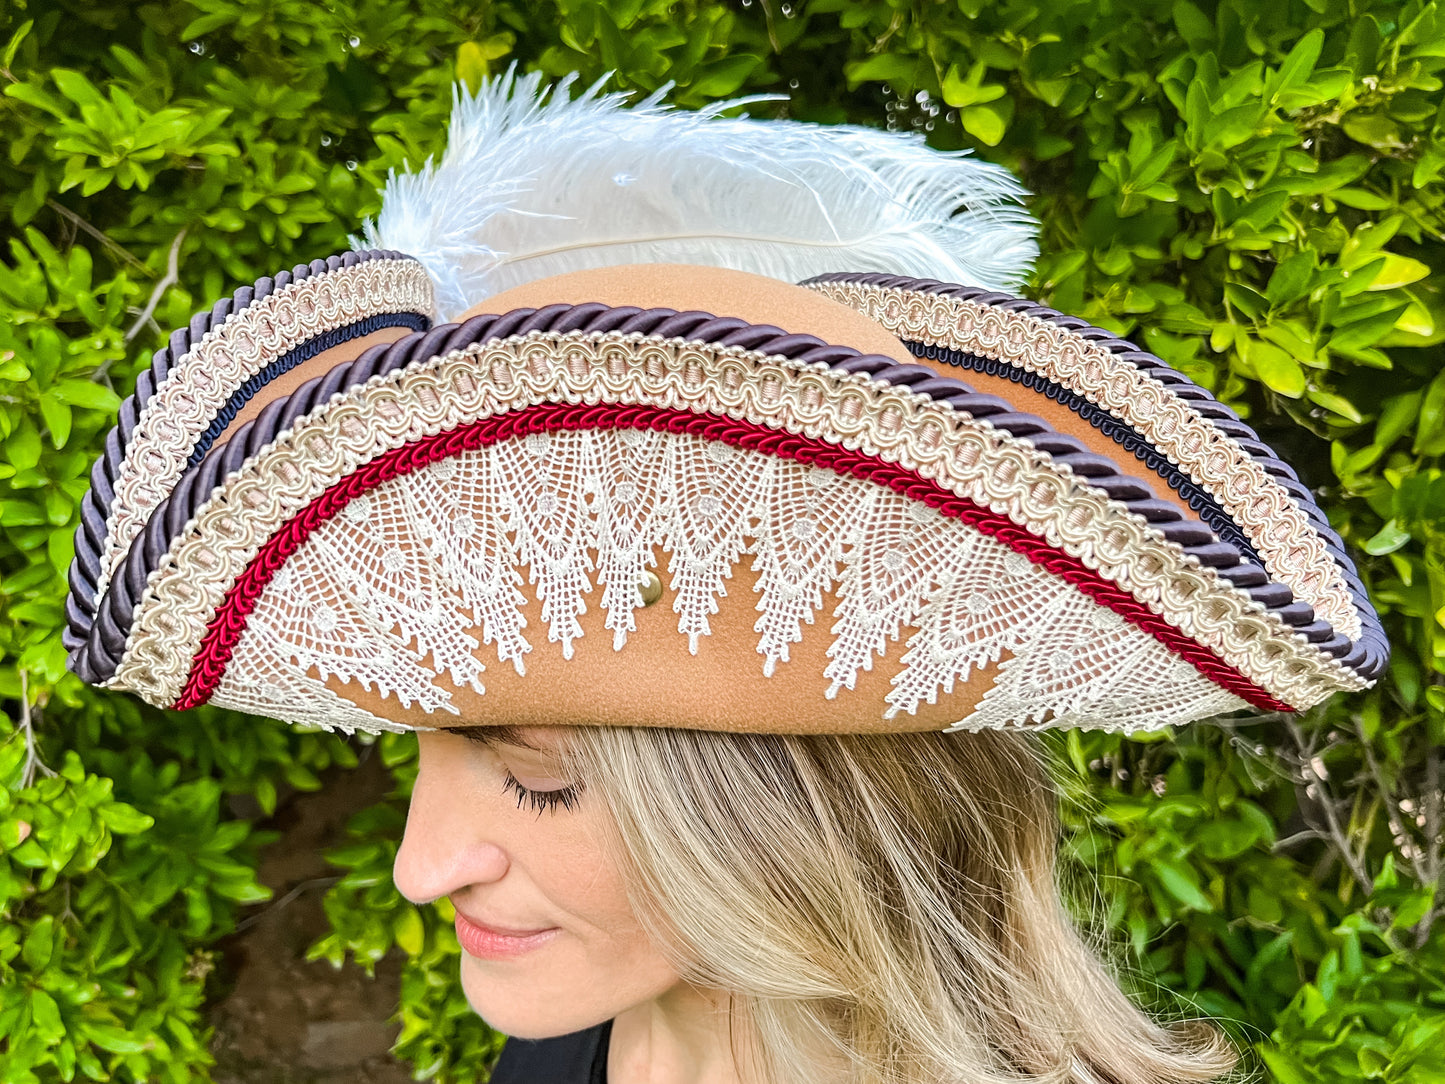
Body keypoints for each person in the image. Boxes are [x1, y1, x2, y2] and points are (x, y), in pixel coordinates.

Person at [63, 71, 1386, 1084]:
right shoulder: (578, 1037)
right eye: (427, 754)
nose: (416, 870)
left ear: (804, 812)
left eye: (535, 776)